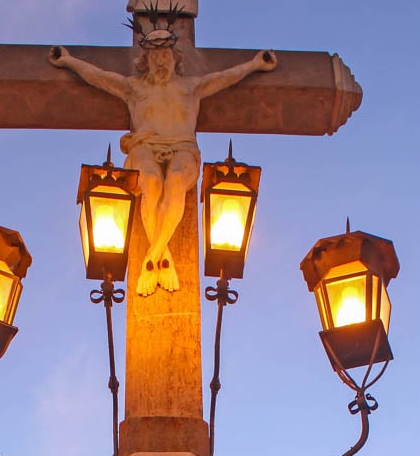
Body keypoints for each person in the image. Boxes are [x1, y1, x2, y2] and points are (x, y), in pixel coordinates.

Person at [50, 41, 276, 294]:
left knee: (176, 180)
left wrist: (255, 65)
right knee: (150, 180)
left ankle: (153, 255)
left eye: (165, 56)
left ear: (175, 59)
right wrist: (68, 61)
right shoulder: (133, 88)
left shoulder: (191, 87)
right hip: (145, 145)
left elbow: (226, 78)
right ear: (145, 60)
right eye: (154, 56)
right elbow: (98, 77)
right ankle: (161, 254)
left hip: (183, 146)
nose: (160, 62)